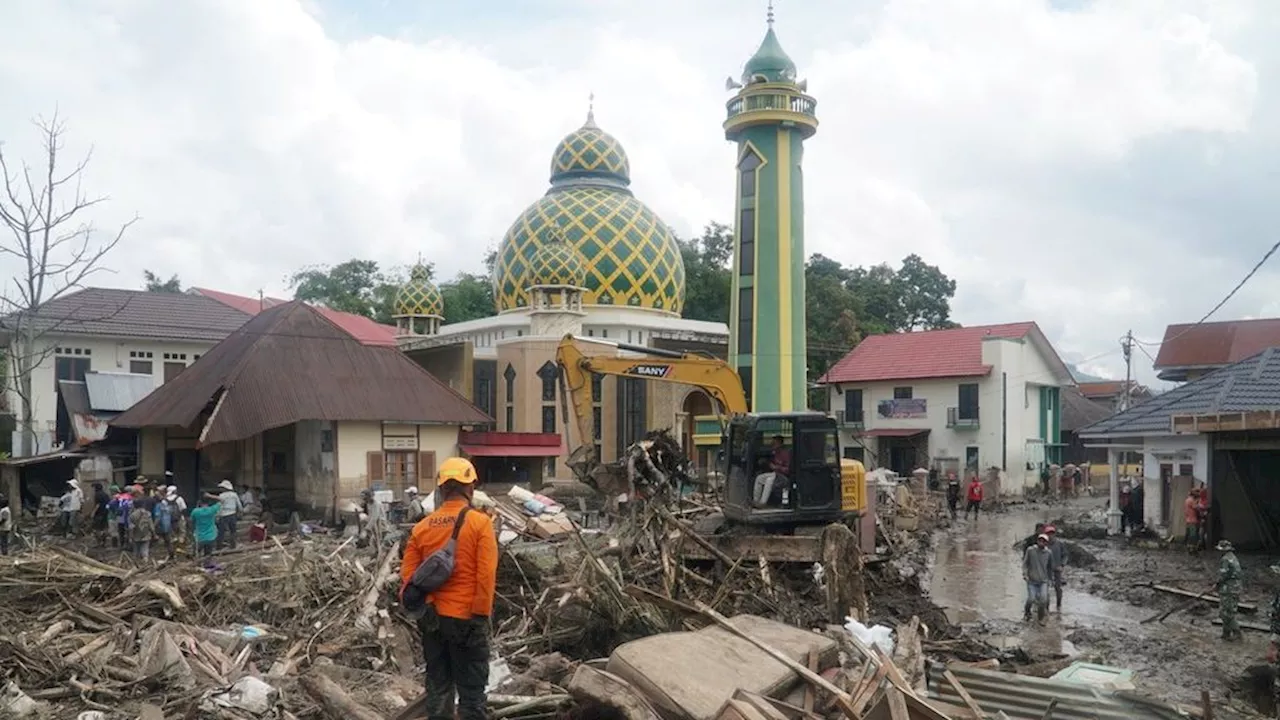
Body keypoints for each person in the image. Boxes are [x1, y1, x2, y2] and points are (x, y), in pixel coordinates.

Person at [400, 457, 498, 720]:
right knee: (472, 694)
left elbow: (408, 579)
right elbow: (486, 576)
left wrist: (429, 605)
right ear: (470, 488)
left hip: (433, 620)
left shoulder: (421, 528)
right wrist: (480, 616)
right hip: (467, 618)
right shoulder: (480, 523)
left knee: (439, 687)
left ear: (442, 489)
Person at [753, 436, 791, 508]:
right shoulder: (774, 453)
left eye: (774, 443)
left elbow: (788, 470)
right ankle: (756, 500)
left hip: (783, 477)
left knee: (769, 479)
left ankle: (763, 503)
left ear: (780, 444)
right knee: (759, 478)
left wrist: (777, 467)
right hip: (774, 474)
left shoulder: (785, 454)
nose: (772, 445)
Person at [1023, 533, 1053, 624]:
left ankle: (1040, 618)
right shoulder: (1030, 550)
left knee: (1043, 600)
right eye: (1040, 540)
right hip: (1031, 580)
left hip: (1043, 581)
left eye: (1043, 541)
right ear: (1037, 541)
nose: (1041, 543)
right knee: (1031, 599)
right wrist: (1025, 574)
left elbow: (1050, 567)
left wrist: (1050, 580)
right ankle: (1027, 612)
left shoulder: (1048, 553)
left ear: (1046, 543)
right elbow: (1025, 563)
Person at [1216, 539, 1243, 642]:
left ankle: (1237, 632)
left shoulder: (1225, 559)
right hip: (1236, 588)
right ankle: (1226, 633)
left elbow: (1223, 575)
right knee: (1229, 610)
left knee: (1225, 612)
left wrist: (1217, 584)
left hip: (1228, 589)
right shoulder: (1233, 557)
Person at [208, 480, 241, 550]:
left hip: (224, 514)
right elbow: (239, 505)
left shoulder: (222, 495)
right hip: (232, 514)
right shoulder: (234, 495)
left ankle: (219, 547)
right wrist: (241, 511)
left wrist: (217, 515)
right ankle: (233, 545)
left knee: (221, 532)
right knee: (233, 531)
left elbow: (220, 506)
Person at [190, 496, 220, 566]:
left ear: (200, 502)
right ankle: (207, 565)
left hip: (199, 537)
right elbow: (222, 501)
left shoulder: (195, 511)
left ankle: (197, 565)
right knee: (208, 554)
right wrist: (211, 495)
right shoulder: (212, 509)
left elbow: (192, 521)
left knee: (196, 553)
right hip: (211, 536)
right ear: (208, 503)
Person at [128, 487, 154, 561]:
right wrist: (154, 534)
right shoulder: (148, 513)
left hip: (136, 535)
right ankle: (145, 562)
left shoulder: (132, 515)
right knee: (145, 550)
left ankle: (136, 565)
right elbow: (151, 525)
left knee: (136, 551)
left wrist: (130, 537)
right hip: (146, 534)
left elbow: (131, 527)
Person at [1045, 525, 1066, 612]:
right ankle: (1046, 607)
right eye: (1048, 534)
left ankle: (1059, 605)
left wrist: (1062, 565)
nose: (1050, 536)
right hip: (1046, 569)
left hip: (1057, 568)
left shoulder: (1060, 544)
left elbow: (1065, 555)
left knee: (1058, 587)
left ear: (1054, 534)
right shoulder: (1043, 544)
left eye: (1052, 534)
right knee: (1045, 588)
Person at [153, 489, 178, 559]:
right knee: (168, 541)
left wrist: (153, 526)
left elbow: (158, 517)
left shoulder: (157, 506)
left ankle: (159, 556)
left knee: (159, 541)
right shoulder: (166, 504)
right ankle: (171, 554)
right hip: (168, 525)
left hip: (161, 526)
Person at [1184, 488, 1202, 554]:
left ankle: (1190, 548)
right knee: (1193, 535)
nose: (1199, 494)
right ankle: (1192, 549)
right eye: (1197, 492)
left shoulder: (1187, 500)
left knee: (1190, 535)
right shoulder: (1191, 501)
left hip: (1188, 520)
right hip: (1193, 521)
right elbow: (1197, 508)